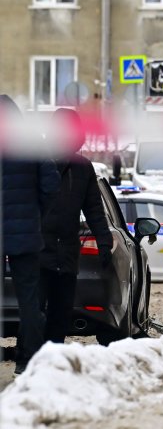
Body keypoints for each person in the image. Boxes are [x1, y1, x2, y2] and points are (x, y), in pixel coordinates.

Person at [40, 108, 113, 345]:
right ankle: (27, 358)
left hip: (67, 252)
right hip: (39, 249)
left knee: (61, 310)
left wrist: (104, 241)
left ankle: (54, 355)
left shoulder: (82, 167)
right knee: (35, 309)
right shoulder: (38, 162)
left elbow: (94, 209)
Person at [1, 95, 60, 375]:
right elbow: (51, 183)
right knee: (29, 301)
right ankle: (28, 362)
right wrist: (37, 213)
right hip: (26, 234)